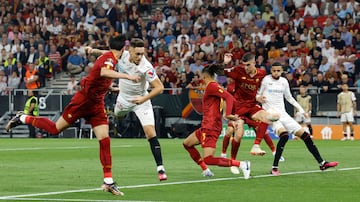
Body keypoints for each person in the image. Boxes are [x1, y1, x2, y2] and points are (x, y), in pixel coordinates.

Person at [5, 35, 140, 196]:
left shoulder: (108, 56)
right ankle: (23, 118)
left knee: (104, 140)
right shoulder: (109, 59)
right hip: (82, 102)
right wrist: (128, 77)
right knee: (55, 129)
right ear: (123, 49)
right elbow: (104, 72)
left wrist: (111, 89)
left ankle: (108, 181)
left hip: (96, 105)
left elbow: (98, 76)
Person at [89, 38, 168, 181]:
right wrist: (92, 50)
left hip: (141, 100)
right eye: (137, 54)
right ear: (129, 50)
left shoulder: (146, 67)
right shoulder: (122, 55)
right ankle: (118, 115)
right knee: (118, 114)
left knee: (150, 133)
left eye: (142, 54)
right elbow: (106, 53)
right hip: (124, 99)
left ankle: (160, 169)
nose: (140, 57)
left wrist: (143, 99)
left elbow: (160, 87)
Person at [256, 62, 339, 176]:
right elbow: (257, 94)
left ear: (281, 71)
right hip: (271, 115)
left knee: (305, 135)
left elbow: (289, 97)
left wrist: (301, 110)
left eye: (278, 71)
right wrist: (259, 98)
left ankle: (322, 163)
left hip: (283, 114)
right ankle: (275, 167)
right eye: (274, 70)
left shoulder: (284, 82)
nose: (276, 73)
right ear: (271, 71)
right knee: (284, 135)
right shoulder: (266, 80)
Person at [182, 63, 251, 179]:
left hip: (211, 126)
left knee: (209, 158)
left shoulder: (211, 86)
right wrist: (225, 113)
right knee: (187, 144)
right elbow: (224, 99)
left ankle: (242, 164)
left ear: (204, 76)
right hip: (207, 126)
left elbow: (229, 97)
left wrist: (228, 114)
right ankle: (206, 170)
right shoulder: (214, 86)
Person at [222, 53, 279, 157]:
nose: (245, 67)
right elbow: (222, 72)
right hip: (239, 109)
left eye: (248, 65)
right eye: (244, 65)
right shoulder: (238, 71)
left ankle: (257, 146)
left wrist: (260, 96)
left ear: (254, 63)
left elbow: (265, 87)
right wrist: (225, 63)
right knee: (238, 135)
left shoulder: (261, 74)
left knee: (268, 117)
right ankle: (232, 160)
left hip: (252, 106)